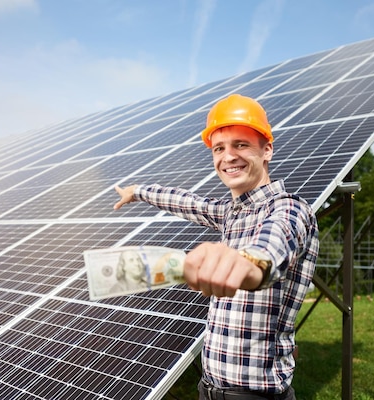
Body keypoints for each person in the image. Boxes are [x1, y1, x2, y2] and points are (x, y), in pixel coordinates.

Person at [114, 94, 319, 400]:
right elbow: (187, 201)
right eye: (219, 148)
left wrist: (242, 265)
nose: (228, 157)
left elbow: (268, 253)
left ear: (267, 150)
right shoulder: (230, 213)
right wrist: (137, 191)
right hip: (208, 390)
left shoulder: (289, 210)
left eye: (241, 145)